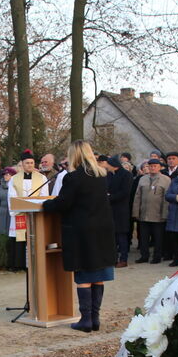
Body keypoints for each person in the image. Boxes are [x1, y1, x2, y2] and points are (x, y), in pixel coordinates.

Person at [42, 140, 115, 332]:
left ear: (75, 155)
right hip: (102, 230)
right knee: (98, 275)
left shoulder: (73, 178)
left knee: (83, 275)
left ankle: (86, 320)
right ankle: (95, 319)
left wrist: (45, 205)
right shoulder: (101, 175)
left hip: (82, 232)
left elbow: (63, 203)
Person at [5, 151, 48, 270]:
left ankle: (36, 263)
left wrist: (39, 207)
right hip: (20, 213)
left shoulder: (42, 178)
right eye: (27, 163)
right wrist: (17, 209)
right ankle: (19, 264)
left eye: (31, 163)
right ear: (22, 164)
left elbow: (44, 195)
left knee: (35, 237)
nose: (29, 165)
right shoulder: (14, 179)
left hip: (35, 214)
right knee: (20, 238)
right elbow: (11, 197)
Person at [131, 159, 170, 263]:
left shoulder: (166, 179)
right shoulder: (143, 179)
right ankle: (144, 256)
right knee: (143, 237)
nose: (152, 168)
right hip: (144, 213)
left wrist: (164, 214)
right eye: (151, 166)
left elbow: (166, 199)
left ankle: (157, 257)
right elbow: (137, 196)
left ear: (160, 167)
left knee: (158, 237)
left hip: (158, 214)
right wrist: (136, 212)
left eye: (155, 166)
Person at [99, 154, 132, 267]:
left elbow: (125, 192)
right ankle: (112, 258)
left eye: (108, 164)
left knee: (121, 235)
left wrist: (109, 197)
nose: (106, 166)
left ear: (114, 165)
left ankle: (123, 259)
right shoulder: (108, 175)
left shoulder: (126, 175)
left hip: (121, 210)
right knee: (111, 236)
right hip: (109, 209)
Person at [0, 166, 17, 259]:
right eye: (4, 174)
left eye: (8, 174)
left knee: (10, 235)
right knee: (1, 233)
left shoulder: (14, 186)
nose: (5, 176)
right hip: (2, 212)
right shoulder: (1, 186)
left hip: (11, 213)